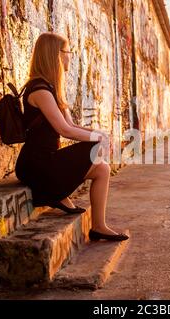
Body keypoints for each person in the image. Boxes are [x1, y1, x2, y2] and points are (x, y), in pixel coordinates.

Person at [15, 33, 128, 241]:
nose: (70, 57)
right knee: (92, 150)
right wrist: (97, 139)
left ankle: (99, 226)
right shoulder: (39, 90)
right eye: (67, 52)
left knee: (102, 169)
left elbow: (71, 125)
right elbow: (64, 131)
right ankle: (56, 194)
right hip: (35, 164)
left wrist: (100, 134)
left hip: (47, 159)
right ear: (54, 55)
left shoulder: (51, 88)